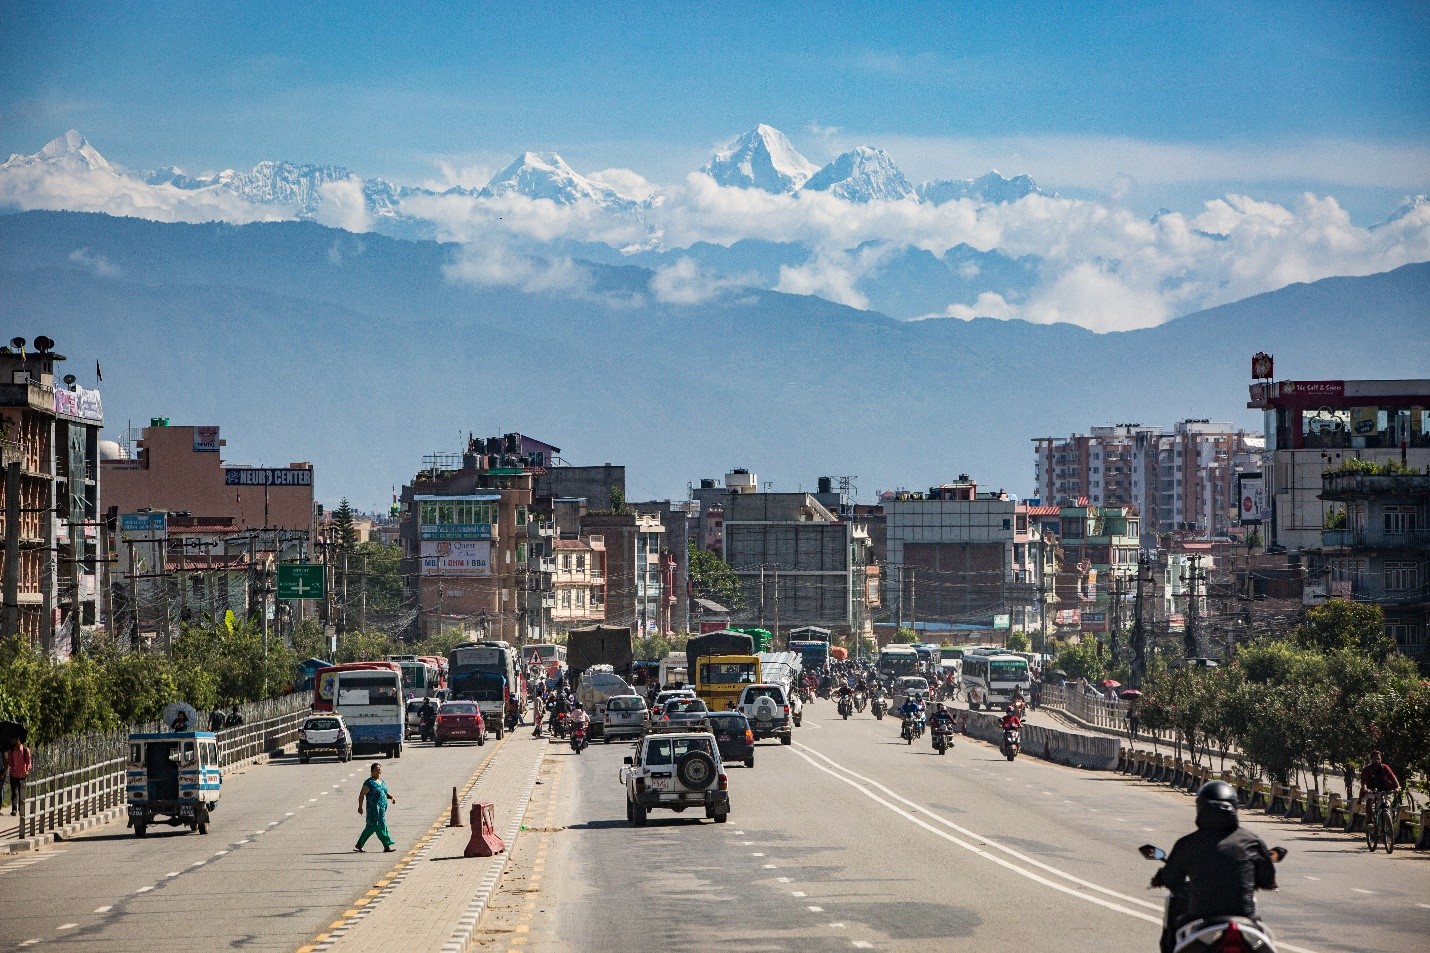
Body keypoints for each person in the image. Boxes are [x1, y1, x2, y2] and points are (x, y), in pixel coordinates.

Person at [1151, 780, 1276, 953]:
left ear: (1200, 808)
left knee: (1173, 936)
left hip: (1202, 920)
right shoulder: (1252, 841)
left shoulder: (1187, 843)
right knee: (1266, 938)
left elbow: (1172, 879)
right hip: (1245, 920)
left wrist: (1160, 878)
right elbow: (1267, 879)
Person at [354, 763, 396, 853]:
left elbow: (384, 793)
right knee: (380, 826)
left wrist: (391, 797)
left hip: (381, 809)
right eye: (376, 769)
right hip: (373, 810)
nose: (379, 771)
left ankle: (359, 844)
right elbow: (361, 795)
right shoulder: (369, 783)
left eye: (379, 769)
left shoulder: (382, 782)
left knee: (370, 827)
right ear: (372, 771)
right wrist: (360, 807)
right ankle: (387, 845)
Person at [4, 738, 32, 816]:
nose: (15, 741)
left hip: (22, 775)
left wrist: (27, 770)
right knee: (14, 793)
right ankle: (14, 809)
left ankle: (21, 808)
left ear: (19, 740)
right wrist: (6, 759)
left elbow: (29, 762)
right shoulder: (11, 750)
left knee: (21, 793)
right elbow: (10, 762)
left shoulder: (25, 750)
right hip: (13, 774)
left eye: (16, 740)